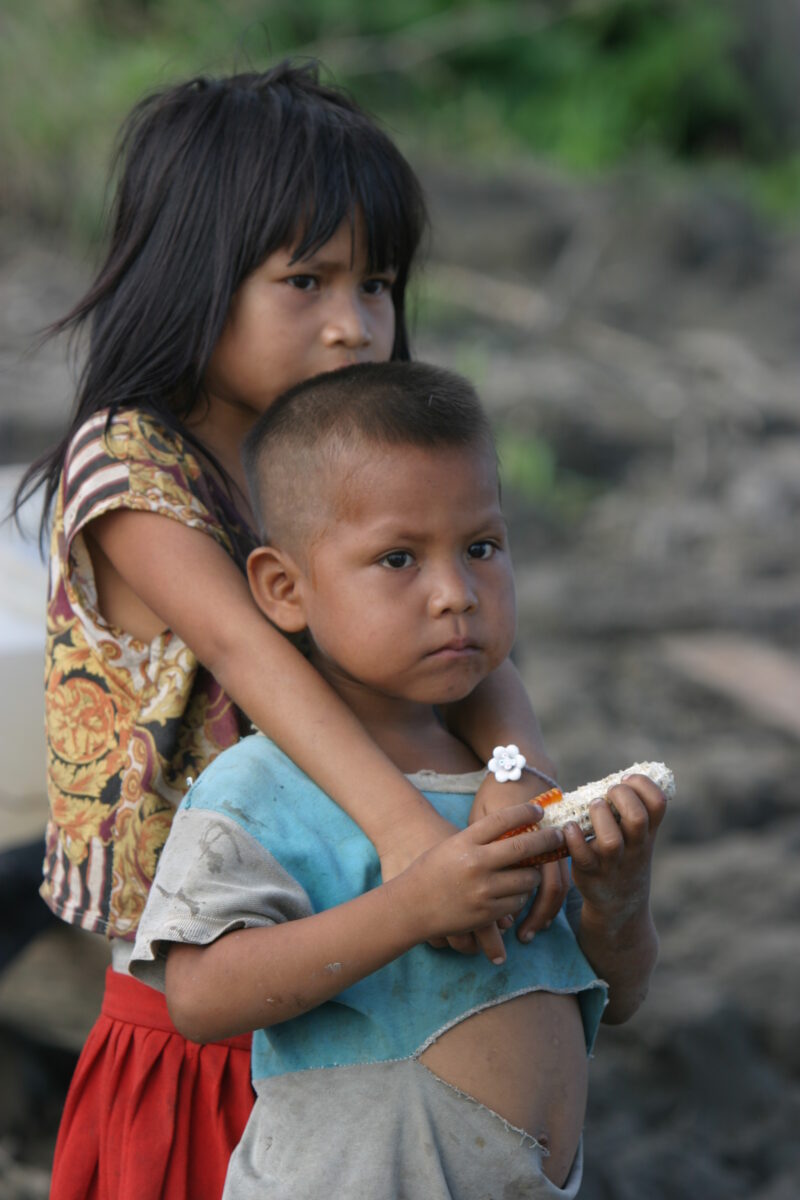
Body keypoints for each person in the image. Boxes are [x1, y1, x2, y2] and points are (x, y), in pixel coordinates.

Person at [12, 63, 568, 1200]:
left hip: (372, 959)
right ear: (194, 280)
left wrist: (525, 785)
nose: (353, 327)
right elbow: (251, 660)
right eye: (305, 282)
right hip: (216, 991)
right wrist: (415, 841)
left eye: (375, 286)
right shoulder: (129, 466)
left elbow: (471, 654)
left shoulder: (346, 458)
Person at [131, 361, 667, 1200]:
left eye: (481, 548)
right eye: (397, 559)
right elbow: (197, 997)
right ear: (284, 589)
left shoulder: (515, 787)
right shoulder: (260, 788)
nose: (456, 595)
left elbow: (619, 998)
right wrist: (408, 909)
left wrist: (618, 902)